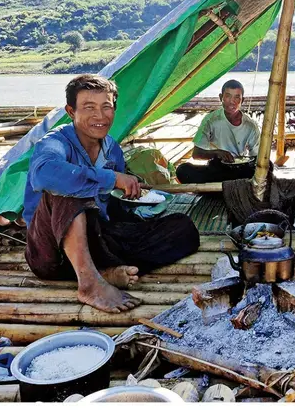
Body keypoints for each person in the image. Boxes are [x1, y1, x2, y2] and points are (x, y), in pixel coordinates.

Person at [23, 74, 200, 313]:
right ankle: (89, 283)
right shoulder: (55, 143)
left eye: (106, 107)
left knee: (182, 227)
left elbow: (111, 204)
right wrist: (113, 179)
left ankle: (104, 272)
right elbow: (45, 175)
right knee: (72, 186)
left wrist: (129, 199)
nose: (99, 115)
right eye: (89, 107)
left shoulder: (112, 149)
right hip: (51, 251)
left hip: (97, 240)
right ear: (70, 111)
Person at [176, 79, 261, 183]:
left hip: (239, 170)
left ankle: (221, 188)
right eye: (228, 96)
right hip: (217, 168)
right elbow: (196, 154)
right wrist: (216, 153)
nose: (232, 101)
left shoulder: (250, 125)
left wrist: (248, 163)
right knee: (183, 169)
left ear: (242, 100)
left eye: (237, 97)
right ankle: (232, 187)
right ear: (221, 97)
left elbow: (257, 157)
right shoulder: (211, 120)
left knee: (267, 167)